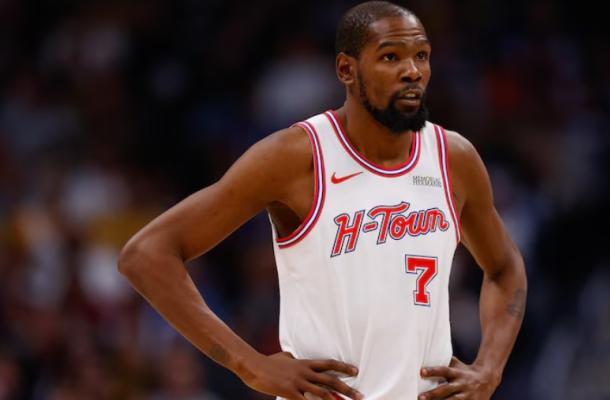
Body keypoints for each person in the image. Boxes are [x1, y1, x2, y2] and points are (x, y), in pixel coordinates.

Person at [118, 1, 527, 399]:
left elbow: (505, 268)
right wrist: (250, 366)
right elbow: (146, 254)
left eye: (421, 55)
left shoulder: (453, 158)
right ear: (346, 69)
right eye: (390, 57)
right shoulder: (296, 156)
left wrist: (489, 368)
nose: (412, 71)